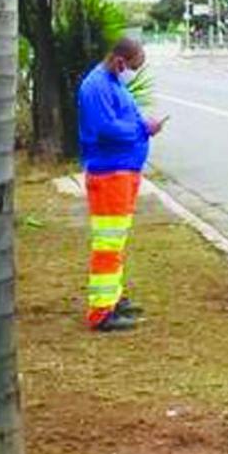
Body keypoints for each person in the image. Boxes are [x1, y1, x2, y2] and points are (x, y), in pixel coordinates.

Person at [77, 37, 167, 332]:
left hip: (123, 171)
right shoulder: (97, 86)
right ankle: (101, 311)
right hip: (110, 173)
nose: (133, 72)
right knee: (108, 243)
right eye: (133, 67)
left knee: (116, 241)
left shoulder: (114, 82)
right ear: (119, 61)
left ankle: (112, 297)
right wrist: (143, 128)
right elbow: (105, 128)